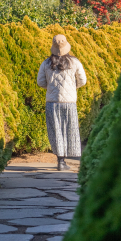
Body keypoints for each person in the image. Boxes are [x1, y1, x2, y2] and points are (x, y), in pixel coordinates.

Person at [37, 34, 87, 171]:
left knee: (56, 130)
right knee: (69, 129)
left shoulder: (46, 63)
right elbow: (82, 80)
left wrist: (52, 88)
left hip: (52, 102)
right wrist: (72, 87)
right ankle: (66, 160)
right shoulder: (74, 62)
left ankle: (60, 161)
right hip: (69, 102)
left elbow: (40, 82)